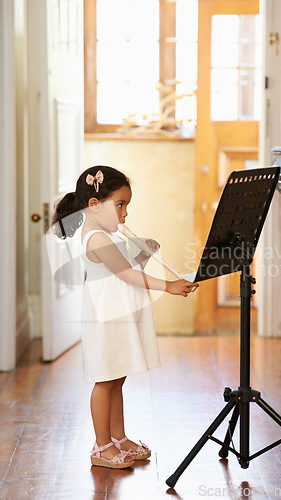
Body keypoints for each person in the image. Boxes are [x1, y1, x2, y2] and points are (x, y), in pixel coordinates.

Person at [52, 165, 197, 469]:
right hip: (107, 319)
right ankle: (101, 445)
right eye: (120, 204)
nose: (125, 213)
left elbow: (128, 267)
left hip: (120, 314)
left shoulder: (108, 235)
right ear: (94, 205)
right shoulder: (96, 238)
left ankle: (118, 437)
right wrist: (168, 285)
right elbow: (127, 274)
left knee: (118, 377)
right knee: (105, 379)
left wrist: (144, 253)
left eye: (126, 205)